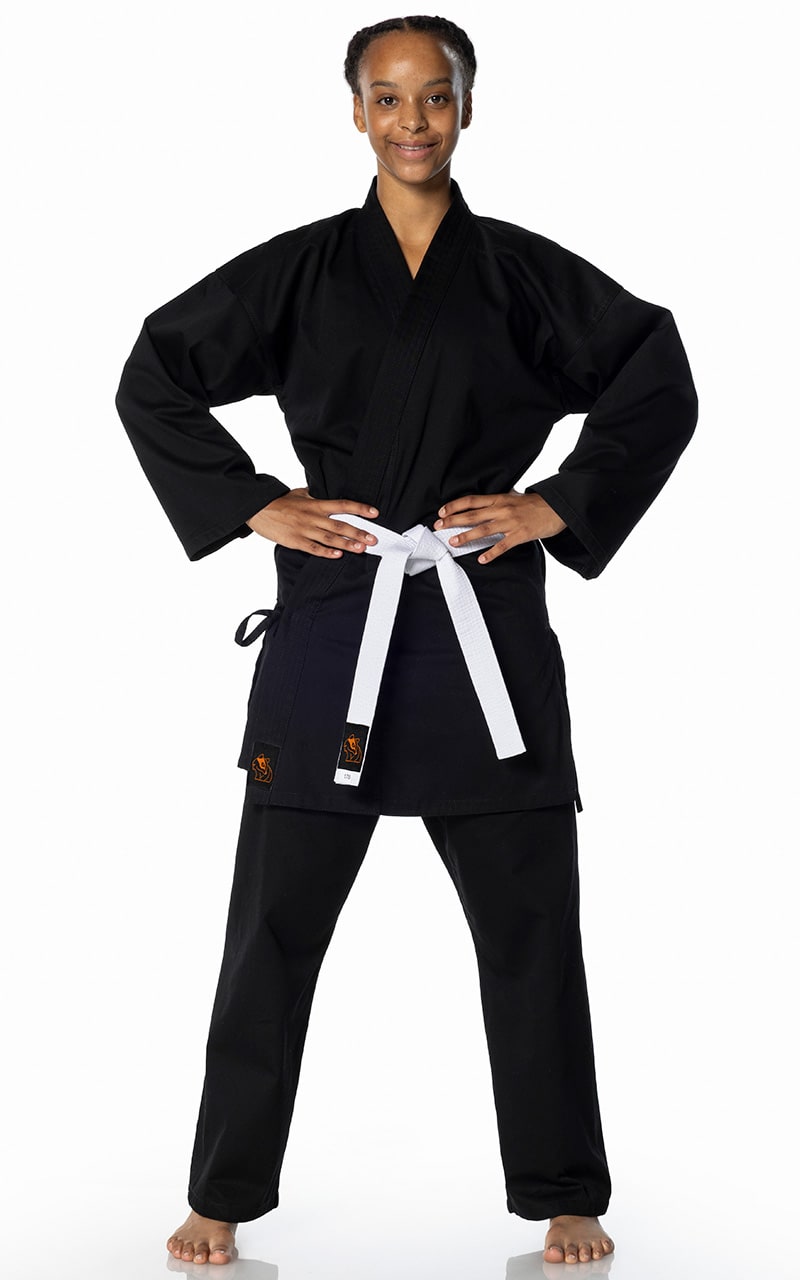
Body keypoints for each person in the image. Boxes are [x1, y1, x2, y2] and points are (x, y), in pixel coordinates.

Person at [115, 15, 698, 1266]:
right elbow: (153, 371)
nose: (412, 121)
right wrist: (250, 500)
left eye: (434, 96)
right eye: (387, 98)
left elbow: (655, 372)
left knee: (529, 930)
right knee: (271, 930)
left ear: (467, 107)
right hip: (334, 620)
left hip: (481, 625)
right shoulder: (299, 271)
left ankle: (565, 1189)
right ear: (355, 112)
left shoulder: (525, 275)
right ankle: (220, 1190)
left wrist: (556, 504)